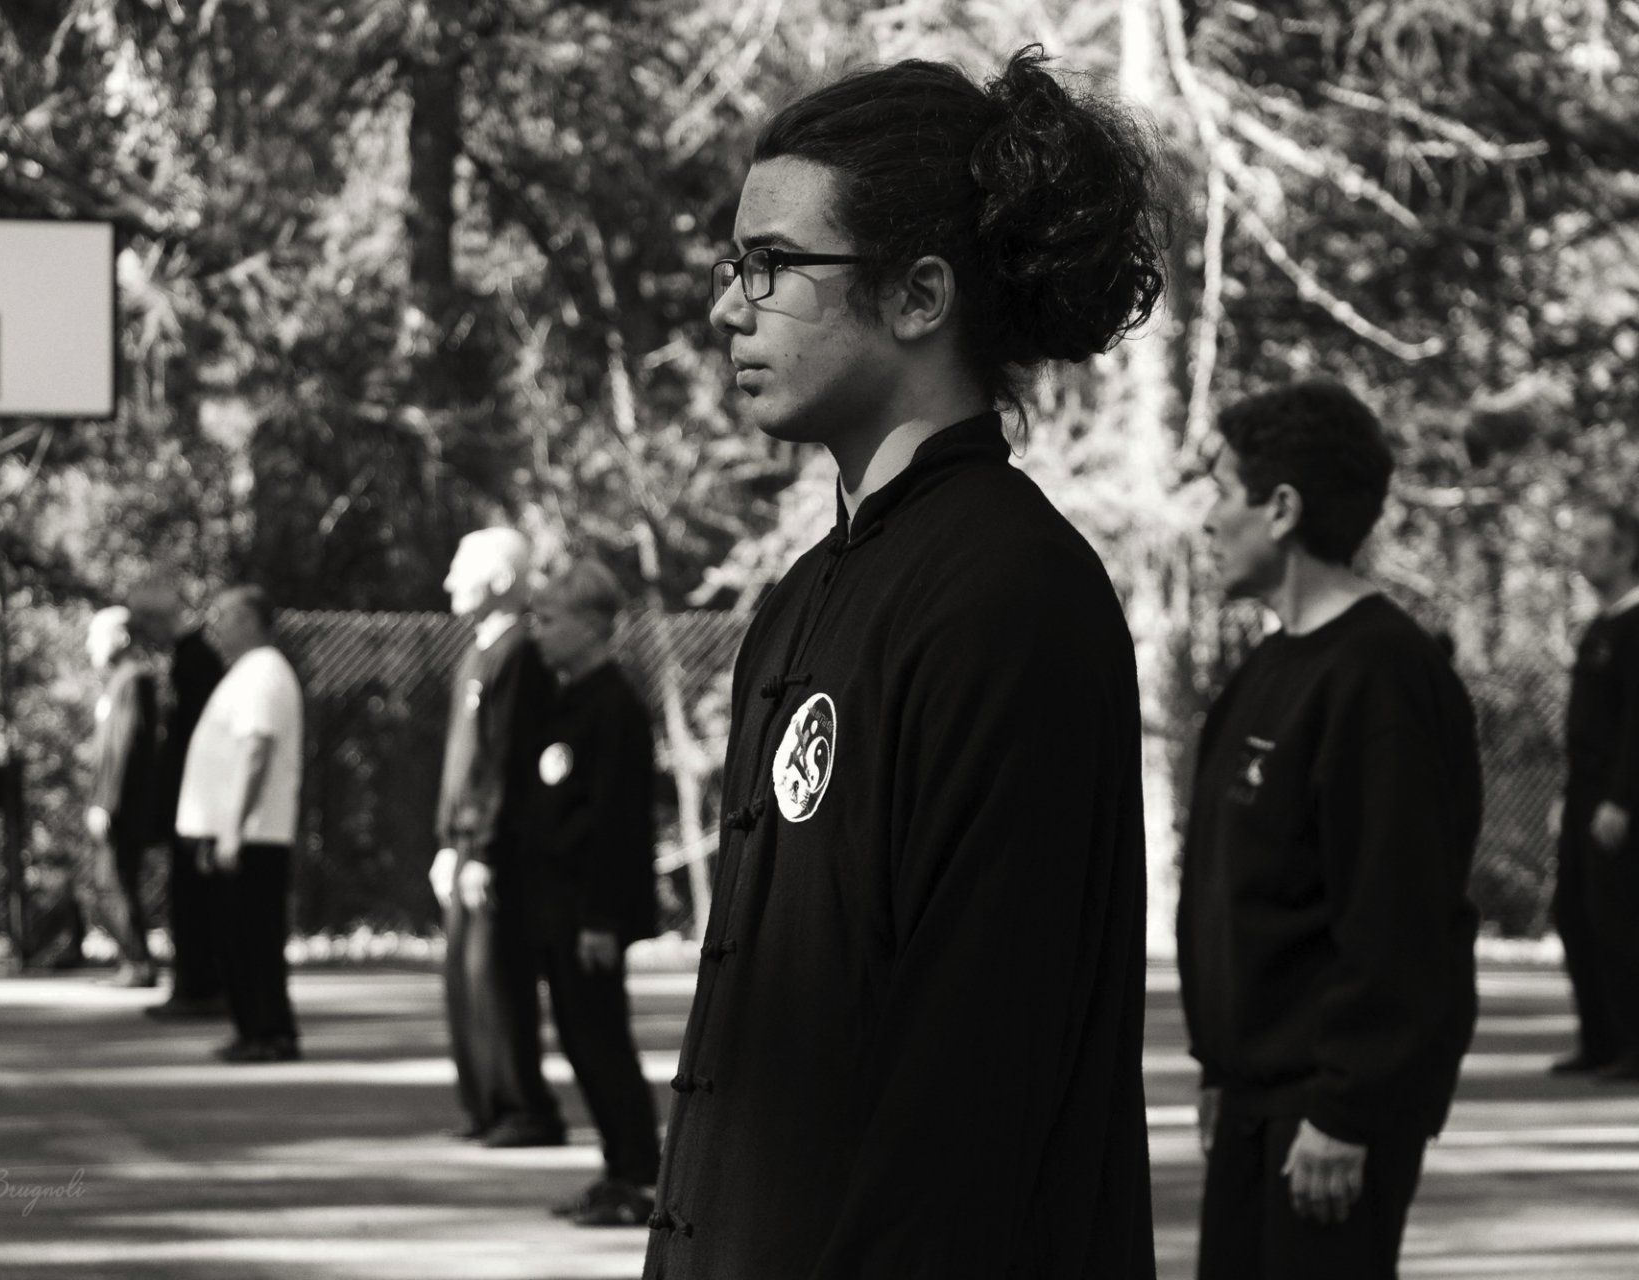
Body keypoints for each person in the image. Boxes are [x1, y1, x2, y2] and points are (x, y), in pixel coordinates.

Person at [646, 47, 1164, 1278]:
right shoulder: (808, 596)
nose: (730, 306)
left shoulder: (1008, 596)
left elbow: (970, 1086)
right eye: (734, 266)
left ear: (920, 294)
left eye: (770, 266)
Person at [1178, 382, 1482, 1280]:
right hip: (1252, 1102)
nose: (1205, 520)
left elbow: (1401, 919)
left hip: (1329, 1119)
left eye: (1221, 490)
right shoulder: (1264, 671)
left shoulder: (1384, 681)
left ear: (1281, 510)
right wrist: (1218, 1070)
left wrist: (1348, 1111)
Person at [525, 559, 662, 1228]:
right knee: (582, 1040)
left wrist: (602, 917)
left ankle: (640, 1176)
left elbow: (615, 822)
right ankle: (619, 1168)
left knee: (603, 1040)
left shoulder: (615, 707)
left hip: (588, 911)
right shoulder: (566, 698)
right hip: (557, 906)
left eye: (548, 620)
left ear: (590, 626)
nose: (537, 633)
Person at [429, 528, 564, 1146]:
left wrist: (481, 851)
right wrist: (448, 845)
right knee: (464, 978)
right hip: (463, 848)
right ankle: (483, 1104)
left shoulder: (520, 654)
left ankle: (525, 1109)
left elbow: (504, 761)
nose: (450, 580)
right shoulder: (478, 652)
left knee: (497, 979)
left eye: (464, 566)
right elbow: (465, 763)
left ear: (503, 580)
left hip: (496, 852)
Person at [1549, 504, 1639, 1082]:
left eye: (1596, 544)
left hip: (1615, 797)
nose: (1584, 554)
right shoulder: (1602, 625)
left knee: (1611, 915)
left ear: (1626, 552)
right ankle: (1601, 1040)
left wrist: (1621, 800)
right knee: (1575, 913)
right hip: (1584, 792)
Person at [176, 586, 305, 1063]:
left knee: (255, 938)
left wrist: (233, 827)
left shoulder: (265, 672)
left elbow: (256, 751)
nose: (217, 624)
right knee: (235, 937)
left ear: (254, 621)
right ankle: (252, 1029)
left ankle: (272, 1033)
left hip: (253, 834)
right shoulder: (244, 673)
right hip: (235, 832)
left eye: (227, 615)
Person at [130, 578, 229, 1019]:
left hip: (198, 799)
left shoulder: (197, 661)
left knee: (193, 896)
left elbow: (198, 739)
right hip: (188, 797)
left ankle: (199, 986)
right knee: (184, 894)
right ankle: (192, 982)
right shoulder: (187, 659)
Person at [84, 606, 159, 988]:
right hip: (117, 803)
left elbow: (125, 748)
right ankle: (133, 961)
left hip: (124, 805)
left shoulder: (134, 680)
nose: (89, 645)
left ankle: (139, 963)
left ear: (121, 638)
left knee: (114, 880)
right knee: (110, 880)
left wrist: (106, 803)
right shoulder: (119, 682)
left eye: (96, 635)